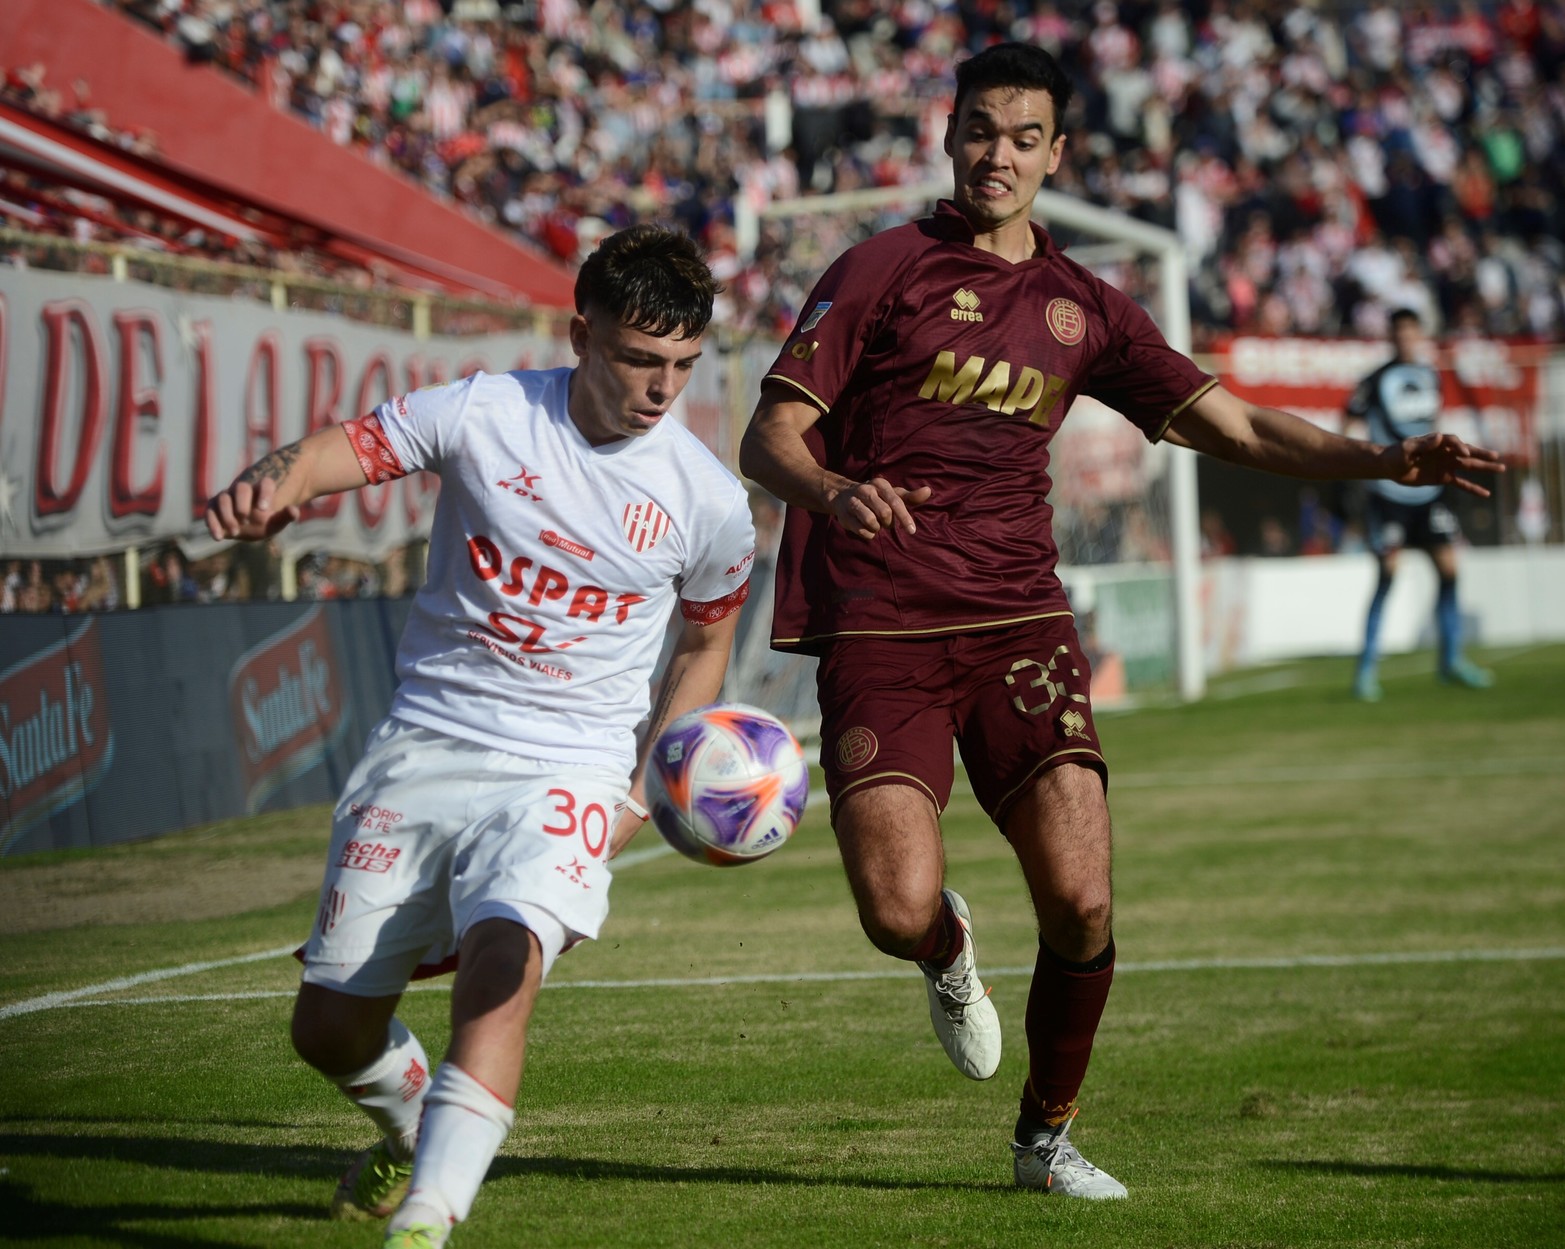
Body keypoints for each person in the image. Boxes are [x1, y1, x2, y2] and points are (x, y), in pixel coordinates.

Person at [738, 42, 1503, 1200]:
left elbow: (1237, 430)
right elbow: (770, 437)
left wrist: (1385, 458)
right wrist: (836, 491)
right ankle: (944, 950)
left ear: (1057, 153)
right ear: (949, 136)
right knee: (894, 909)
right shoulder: (878, 267)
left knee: (1083, 896)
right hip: (880, 623)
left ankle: (1044, 1138)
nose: (998, 153)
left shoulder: (1081, 307)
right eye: (980, 130)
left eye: (1023, 136)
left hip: (1021, 625)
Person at [205, 225, 756, 1249]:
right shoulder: (485, 412)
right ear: (580, 333)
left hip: (569, 767)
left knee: (502, 972)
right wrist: (275, 484)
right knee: (328, 1029)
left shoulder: (709, 501)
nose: (659, 388)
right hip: (426, 741)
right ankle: (414, 1120)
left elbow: (702, 651)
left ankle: (425, 1222)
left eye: (680, 365)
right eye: (639, 359)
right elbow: (344, 449)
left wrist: (639, 794)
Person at [1346, 307, 1495, 701]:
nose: (1405, 338)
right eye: (1399, 332)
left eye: (1411, 331)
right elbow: (1348, 420)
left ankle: (1451, 660)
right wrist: (1355, 471)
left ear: (1419, 335)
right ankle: (1366, 670)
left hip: (1429, 494)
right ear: (1390, 337)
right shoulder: (1375, 380)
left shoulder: (1430, 376)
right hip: (1389, 495)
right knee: (1388, 573)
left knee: (1449, 569)